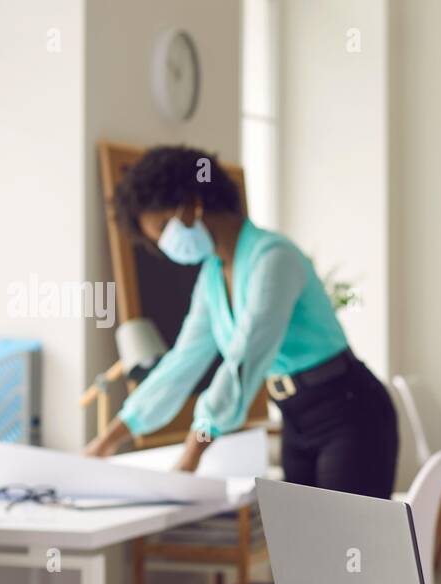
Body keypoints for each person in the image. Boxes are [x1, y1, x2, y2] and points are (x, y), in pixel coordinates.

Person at [84, 145, 398, 498]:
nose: (164, 246)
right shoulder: (212, 276)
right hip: (296, 418)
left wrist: (192, 453)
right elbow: (182, 363)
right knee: (307, 548)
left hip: (349, 410)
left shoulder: (274, 259)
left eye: (161, 229)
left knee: (351, 546)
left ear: (191, 206)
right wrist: (106, 442)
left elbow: (245, 360)